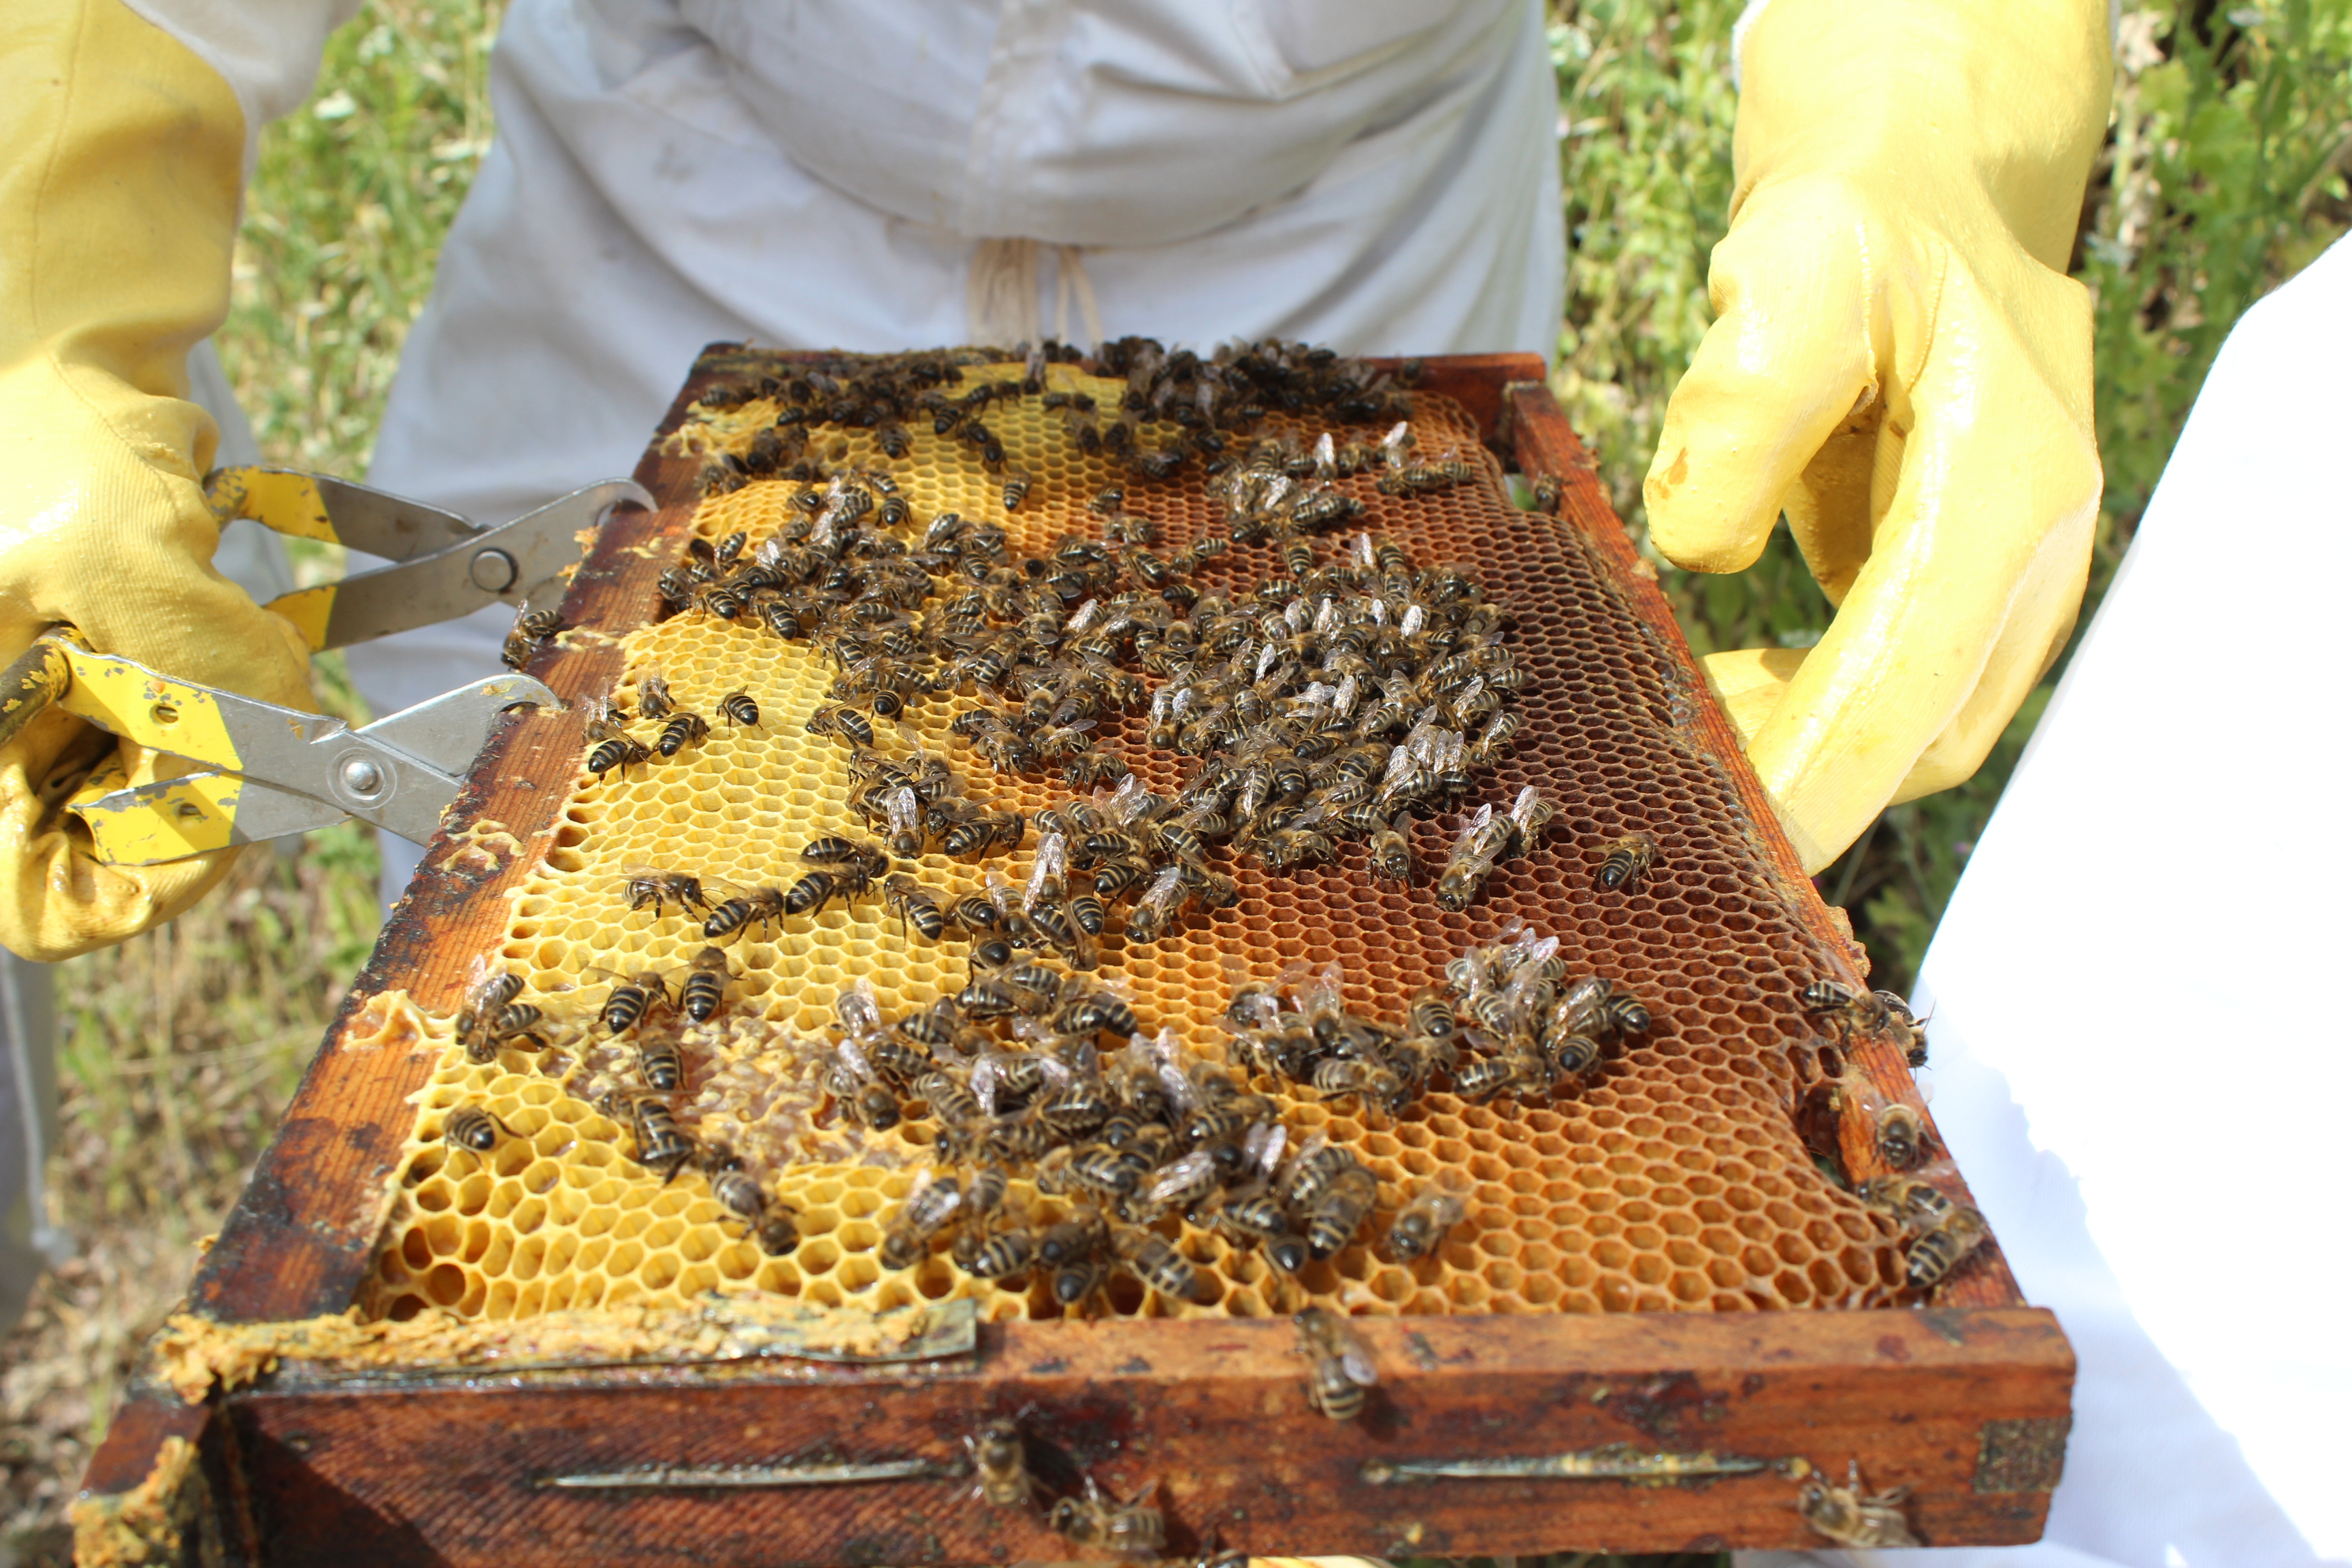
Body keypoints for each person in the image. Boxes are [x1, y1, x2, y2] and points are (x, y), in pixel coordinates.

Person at [27, 3, 2312, 1565]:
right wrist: (43, 328)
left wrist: (1924, 123)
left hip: (1335, 355)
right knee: (608, 1072)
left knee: (1373, 1290)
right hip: (673, 279)